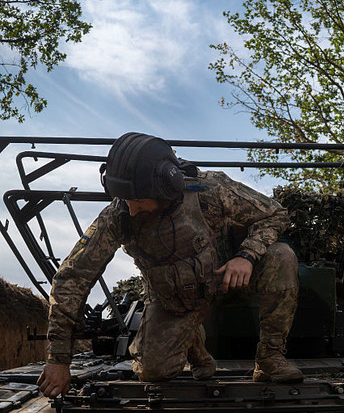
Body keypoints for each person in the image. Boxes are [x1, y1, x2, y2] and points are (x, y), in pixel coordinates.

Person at [37, 132, 303, 398]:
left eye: (138, 201)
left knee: (282, 256)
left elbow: (275, 213)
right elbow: (72, 278)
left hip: (227, 281)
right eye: (126, 200)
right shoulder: (117, 216)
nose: (131, 210)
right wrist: (58, 359)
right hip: (175, 302)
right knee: (153, 372)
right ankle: (195, 346)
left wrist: (246, 255)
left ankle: (270, 358)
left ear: (166, 188)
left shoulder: (210, 190)